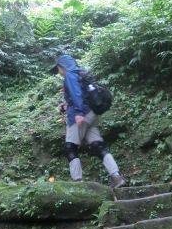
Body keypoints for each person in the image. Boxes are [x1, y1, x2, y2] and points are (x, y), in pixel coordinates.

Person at [51, 54, 127, 188]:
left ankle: (78, 183)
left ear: (61, 67)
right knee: (97, 146)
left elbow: (76, 94)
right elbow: (82, 95)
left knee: (70, 148)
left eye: (58, 69)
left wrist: (79, 113)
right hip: (91, 114)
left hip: (79, 115)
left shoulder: (69, 75)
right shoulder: (81, 73)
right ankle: (117, 177)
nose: (59, 72)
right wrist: (67, 105)